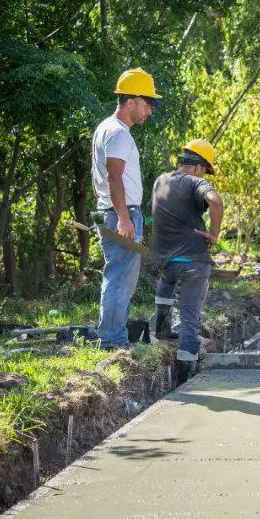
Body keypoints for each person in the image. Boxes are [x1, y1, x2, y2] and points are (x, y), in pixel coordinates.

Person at [91, 68, 160, 349]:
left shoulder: (105, 128)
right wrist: (122, 217)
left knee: (119, 276)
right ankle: (112, 341)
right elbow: (114, 175)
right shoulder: (119, 133)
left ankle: (113, 336)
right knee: (120, 279)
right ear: (130, 101)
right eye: (147, 105)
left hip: (111, 210)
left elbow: (103, 177)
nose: (149, 112)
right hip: (121, 213)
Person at [151, 139, 224, 383]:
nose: (204, 174)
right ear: (197, 166)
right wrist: (214, 234)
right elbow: (215, 200)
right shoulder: (196, 182)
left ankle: (161, 330)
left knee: (166, 283)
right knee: (190, 320)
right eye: (205, 169)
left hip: (166, 261)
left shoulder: (160, 180)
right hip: (193, 261)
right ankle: (184, 380)